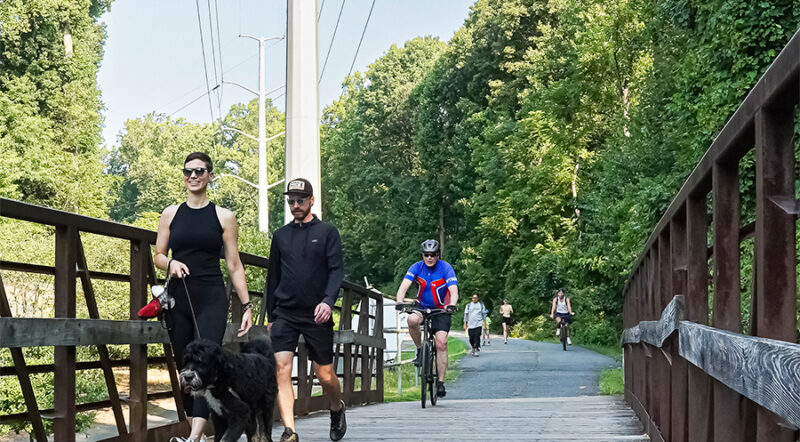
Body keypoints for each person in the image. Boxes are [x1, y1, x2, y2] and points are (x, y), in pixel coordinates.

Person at [154, 152, 253, 442]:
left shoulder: (224, 217)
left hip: (211, 297)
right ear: (184, 176)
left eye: (199, 171)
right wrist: (171, 263)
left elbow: (234, 264)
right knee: (184, 365)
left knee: (203, 363)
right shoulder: (170, 213)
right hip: (179, 299)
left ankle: (194, 437)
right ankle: (204, 429)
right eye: (188, 171)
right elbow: (158, 255)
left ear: (210, 175)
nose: (193, 176)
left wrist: (246, 305)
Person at [266, 178, 346, 442]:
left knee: (324, 375)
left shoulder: (327, 232)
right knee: (281, 367)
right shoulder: (280, 236)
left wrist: (327, 301)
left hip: (317, 313)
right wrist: (270, 315)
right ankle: (290, 430)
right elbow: (272, 277)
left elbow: (336, 271)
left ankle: (336, 407)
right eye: (291, 201)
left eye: (300, 200)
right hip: (285, 312)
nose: (295, 205)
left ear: (312, 200)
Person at [395, 239, 458, 398]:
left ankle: (441, 383)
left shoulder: (446, 268)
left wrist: (452, 304)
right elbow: (403, 287)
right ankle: (420, 350)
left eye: (433, 255)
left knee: (441, 343)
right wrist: (400, 302)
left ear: (438, 255)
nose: (429, 258)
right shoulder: (416, 267)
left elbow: (453, 289)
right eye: (426, 255)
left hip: (441, 308)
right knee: (411, 320)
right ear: (422, 255)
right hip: (422, 306)